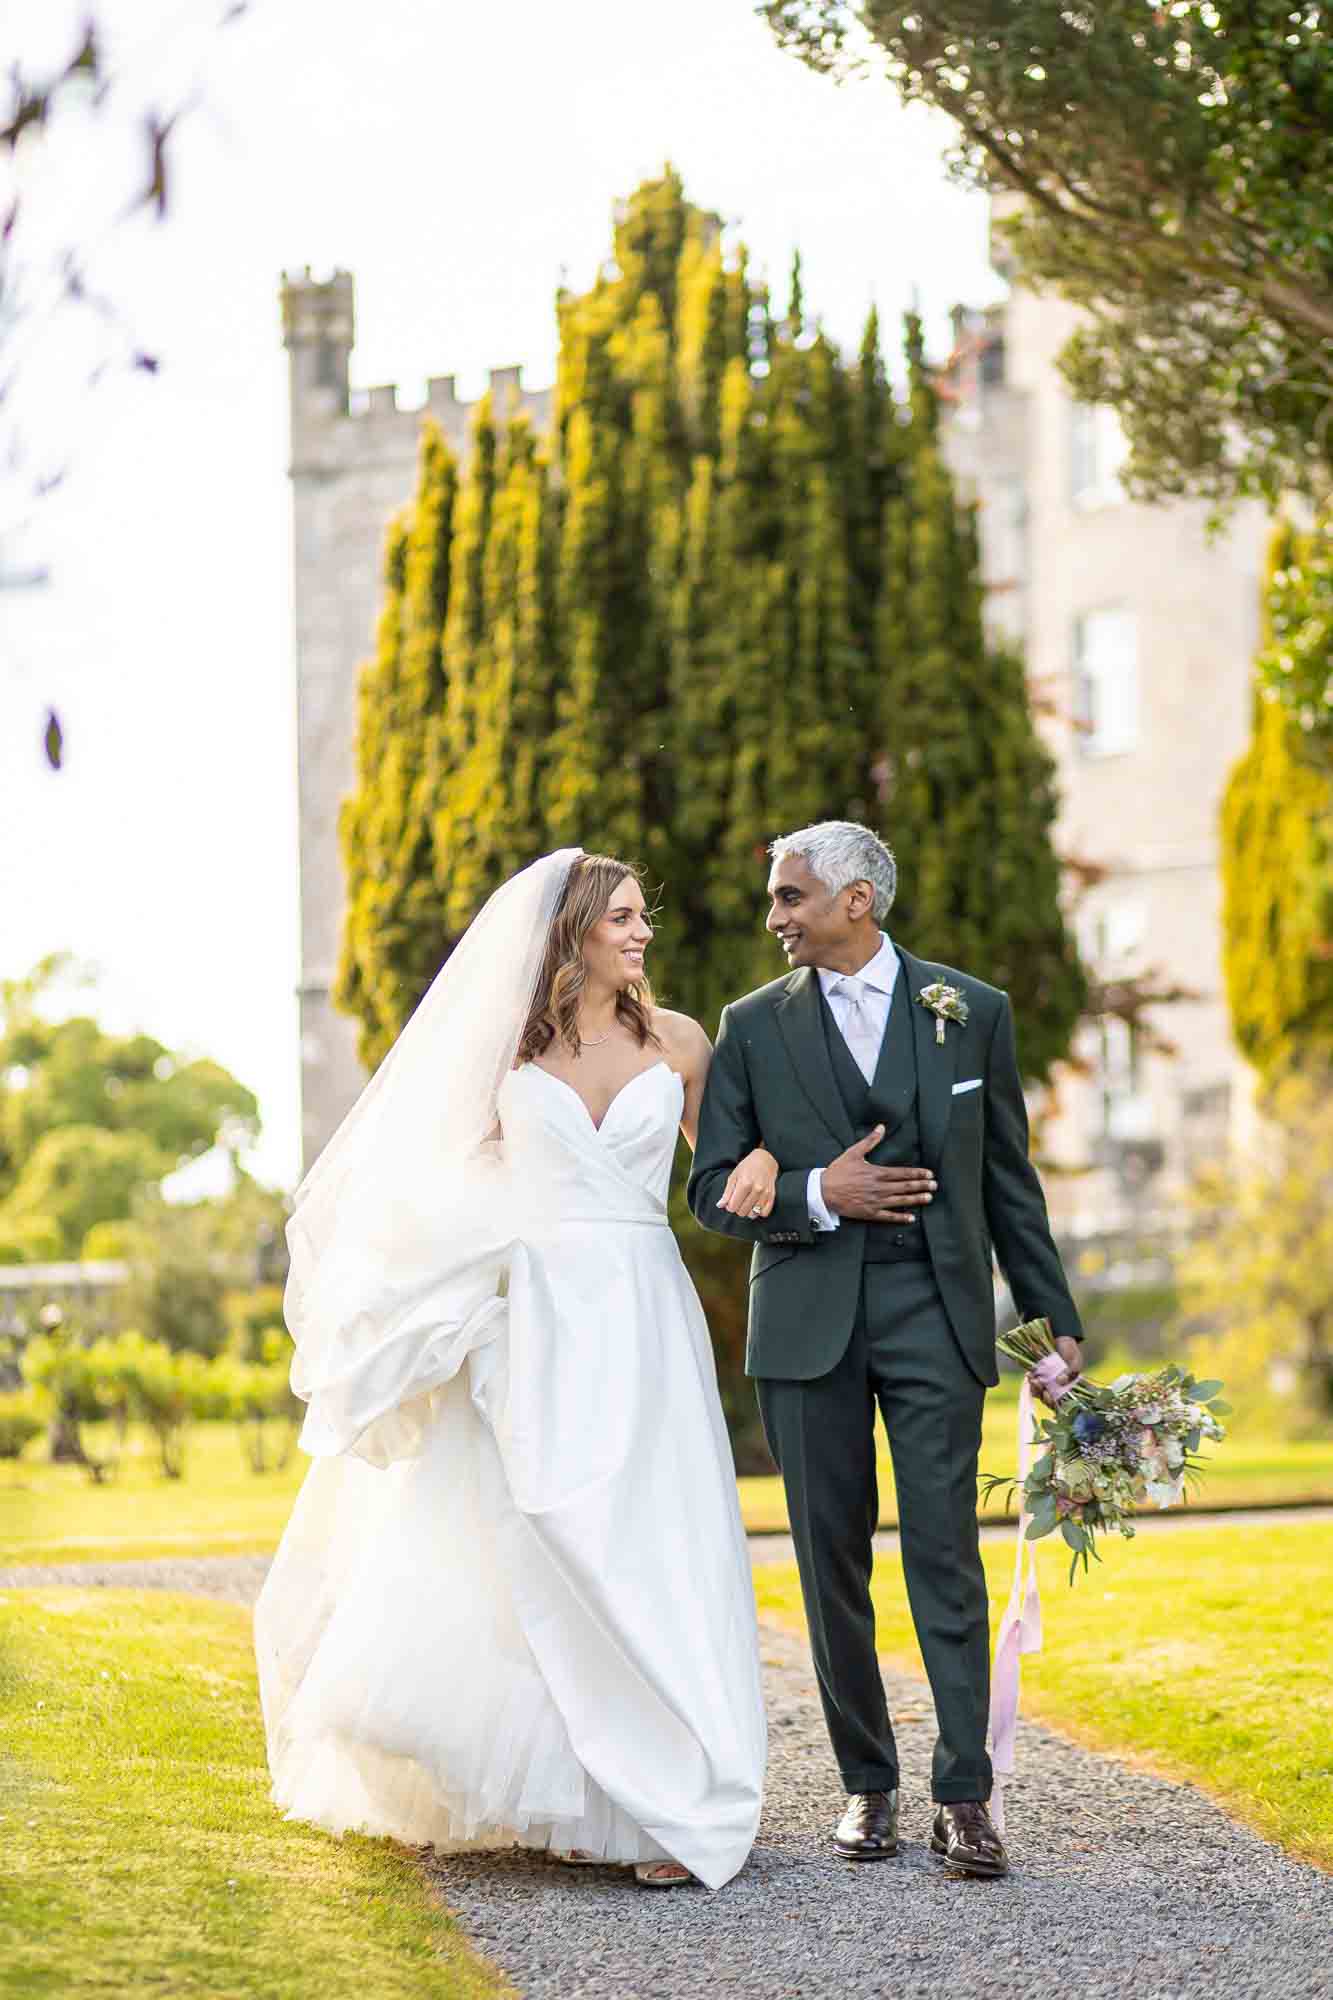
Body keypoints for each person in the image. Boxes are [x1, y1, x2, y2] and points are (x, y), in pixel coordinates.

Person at [256, 850, 776, 1890]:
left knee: (646, 1536)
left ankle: (663, 1799)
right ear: (569, 932)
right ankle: (550, 1786)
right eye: (620, 917)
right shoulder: (502, 1055)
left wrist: (759, 1157)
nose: (640, 933)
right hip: (534, 1308)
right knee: (530, 1526)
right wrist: (432, 1295)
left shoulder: (677, 1041)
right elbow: (436, 1179)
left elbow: (717, 1169)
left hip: (639, 1306)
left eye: (643, 916)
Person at [688, 820, 1083, 1880]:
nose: (774, 915)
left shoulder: (970, 1012)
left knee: (944, 1554)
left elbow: (1009, 1182)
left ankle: (966, 1794)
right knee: (831, 1563)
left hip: (938, 1317)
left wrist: (1050, 1321)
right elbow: (709, 1183)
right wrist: (822, 1190)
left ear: (856, 899)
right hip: (805, 1326)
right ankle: (868, 1785)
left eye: (790, 895)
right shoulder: (752, 1027)